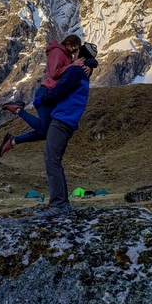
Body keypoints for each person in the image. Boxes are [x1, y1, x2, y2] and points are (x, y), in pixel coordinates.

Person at [33, 42, 98, 218]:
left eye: (77, 52)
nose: (73, 54)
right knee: (55, 160)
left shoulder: (76, 71)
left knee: (51, 159)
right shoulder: (84, 72)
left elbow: (60, 90)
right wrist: (91, 64)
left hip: (63, 118)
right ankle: (64, 204)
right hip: (69, 119)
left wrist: (43, 99)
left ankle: (58, 204)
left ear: (80, 55)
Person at [0, 35, 85, 157]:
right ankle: (17, 110)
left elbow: (67, 74)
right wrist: (73, 64)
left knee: (46, 132)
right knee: (45, 132)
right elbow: (55, 73)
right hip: (46, 92)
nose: (74, 51)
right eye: (74, 48)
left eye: (76, 50)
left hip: (52, 94)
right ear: (68, 43)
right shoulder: (57, 51)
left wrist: (73, 60)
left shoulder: (67, 56)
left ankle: (12, 140)